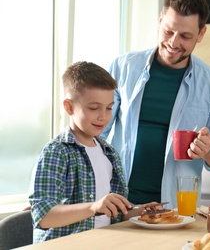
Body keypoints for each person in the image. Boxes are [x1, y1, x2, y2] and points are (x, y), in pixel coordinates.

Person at [101, 0, 210, 209]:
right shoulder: (122, 68)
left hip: (175, 210)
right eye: (168, 31)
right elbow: (91, 133)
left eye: (185, 36)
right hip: (119, 205)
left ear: (201, 34)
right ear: (159, 21)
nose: (173, 43)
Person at [28, 61, 142, 243]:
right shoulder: (56, 152)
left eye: (109, 108)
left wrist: (138, 212)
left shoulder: (109, 153)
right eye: (94, 108)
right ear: (69, 107)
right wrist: (94, 207)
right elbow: (44, 216)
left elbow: (113, 213)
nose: (103, 116)